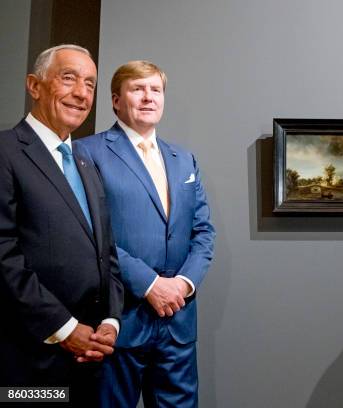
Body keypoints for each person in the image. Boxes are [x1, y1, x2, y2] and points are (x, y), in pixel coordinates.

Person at [76, 60, 215, 408]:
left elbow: (203, 233)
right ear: (116, 100)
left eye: (156, 90)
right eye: (138, 89)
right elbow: (90, 234)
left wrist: (182, 284)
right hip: (119, 319)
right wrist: (151, 284)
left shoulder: (184, 160)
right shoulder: (87, 153)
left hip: (178, 321)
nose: (148, 97)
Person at [0, 44, 124, 405]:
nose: (82, 93)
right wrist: (66, 329)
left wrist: (111, 322)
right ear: (34, 85)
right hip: (29, 358)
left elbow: (107, 252)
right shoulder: (6, 152)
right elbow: (3, 254)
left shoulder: (85, 160)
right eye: (68, 78)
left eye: (90, 83)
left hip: (91, 356)